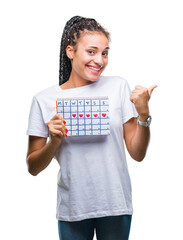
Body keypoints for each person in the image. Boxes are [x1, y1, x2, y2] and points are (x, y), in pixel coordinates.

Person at [26, 16, 157, 240]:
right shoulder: (44, 99)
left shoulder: (118, 87)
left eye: (105, 53)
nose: (100, 60)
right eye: (91, 52)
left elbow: (137, 153)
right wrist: (54, 141)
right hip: (73, 206)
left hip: (116, 203)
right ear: (70, 51)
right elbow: (33, 166)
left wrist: (144, 115)